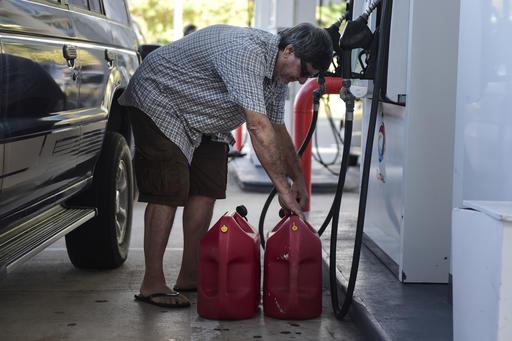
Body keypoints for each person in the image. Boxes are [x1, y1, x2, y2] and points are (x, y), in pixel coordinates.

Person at [118, 23, 333, 308]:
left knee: (208, 187)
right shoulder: (246, 51)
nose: (301, 80)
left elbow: (277, 129)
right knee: (169, 187)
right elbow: (257, 126)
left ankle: (189, 276)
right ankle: (152, 283)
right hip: (161, 98)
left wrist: (298, 180)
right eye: (304, 71)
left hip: (204, 113)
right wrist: (282, 187)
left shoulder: (278, 76)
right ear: (289, 50)